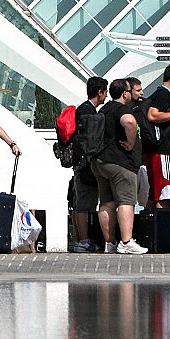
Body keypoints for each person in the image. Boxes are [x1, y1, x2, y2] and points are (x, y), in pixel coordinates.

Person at [91, 79, 147, 255]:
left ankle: (109, 242)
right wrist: (131, 143)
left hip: (100, 161)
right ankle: (126, 241)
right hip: (120, 162)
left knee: (106, 202)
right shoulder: (122, 109)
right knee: (126, 201)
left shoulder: (104, 109)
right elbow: (129, 122)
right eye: (130, 91)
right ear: (125, 94)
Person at [68, 76, 109, 252]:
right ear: (100, 92)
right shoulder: (88, 112)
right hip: (84, 164)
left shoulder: (83, 109)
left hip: (80, 162)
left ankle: (82, 240)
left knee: (82, 202)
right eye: (105, 92)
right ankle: (83, 240)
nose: (106, 96)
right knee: (84, 203)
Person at [143, 65, 170, 208]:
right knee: (166, 194)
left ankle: (149, 227)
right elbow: (152, 114)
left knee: (155, 194)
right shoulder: (163, 94)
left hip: (159, 152)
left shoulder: (161, 94)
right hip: (165, 152)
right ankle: (162, 228)